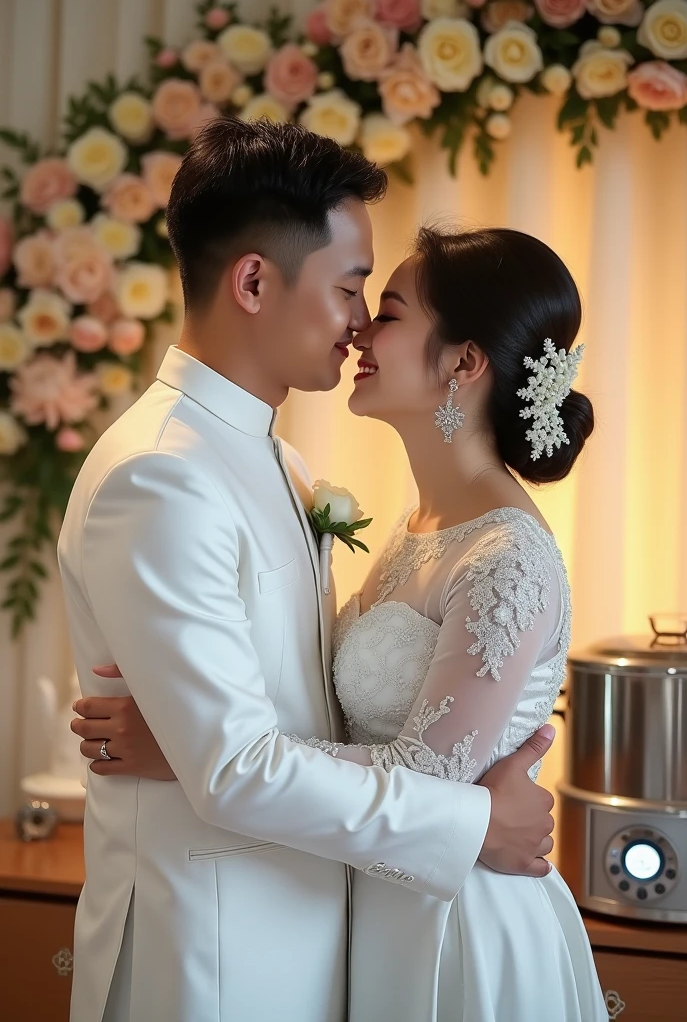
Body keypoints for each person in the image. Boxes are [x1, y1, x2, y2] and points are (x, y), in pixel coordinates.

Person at [59, 119, 555, 1022]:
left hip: (329, 931)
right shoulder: (159, 476)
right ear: (254, 280)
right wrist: (477, 822)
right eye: (350, 286)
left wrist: (190, 748)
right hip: (214, 953)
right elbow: (238, 766)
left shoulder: (276, 462)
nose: (363, 319)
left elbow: (266, 728)